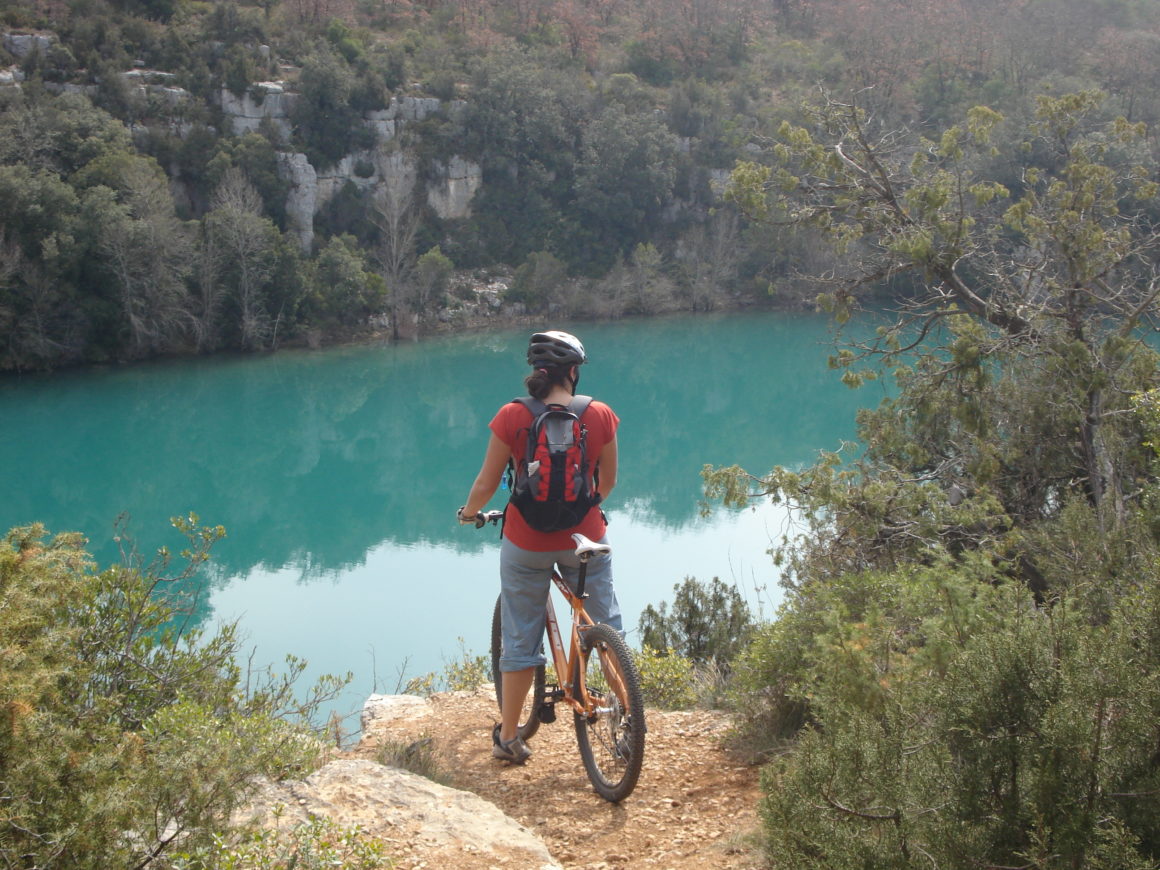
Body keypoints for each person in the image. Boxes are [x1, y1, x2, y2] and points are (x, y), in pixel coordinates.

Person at [458, 330, 623, 764]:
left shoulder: (512, 416)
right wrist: (583, 512)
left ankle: (509, 738)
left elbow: (487, 483)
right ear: (572, 373)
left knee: (519, 640)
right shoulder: (600, 414)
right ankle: (625, 715)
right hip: (584, 538)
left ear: (537, 373)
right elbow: (607, 483)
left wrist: (469, 513)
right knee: (604, 627)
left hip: (525, 543)